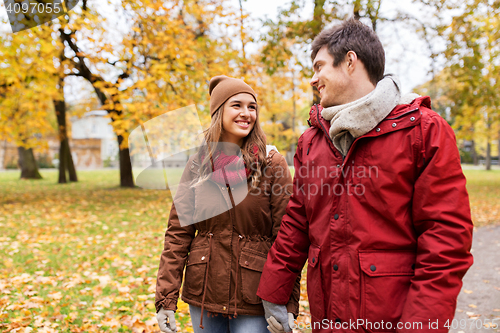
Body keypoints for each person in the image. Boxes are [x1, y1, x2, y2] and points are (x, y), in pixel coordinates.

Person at [257, 18, 473, 333]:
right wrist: (274, 291)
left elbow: (446, 241)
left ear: (349, 61)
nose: (313, 79)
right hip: (328, 317)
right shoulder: (311, 142)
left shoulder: (424, 131)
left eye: (319, 67)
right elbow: (297, 221)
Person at [155, 75, 299, 333]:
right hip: (205, 293)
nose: (246, 113)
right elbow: (178, 233)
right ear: (218, 111)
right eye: (237, 105)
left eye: (251, 106)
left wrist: (286, 302)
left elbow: (287, 237)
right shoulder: (197, 165)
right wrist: (166, 298)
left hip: (254, 296)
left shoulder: (271, 163)